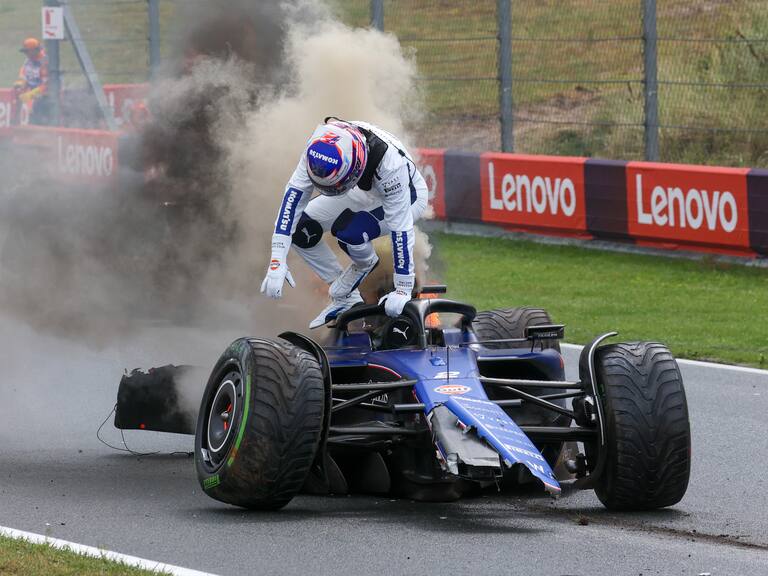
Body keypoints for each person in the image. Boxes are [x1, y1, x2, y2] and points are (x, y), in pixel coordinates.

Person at [261, 118, 429, 328]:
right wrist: (277, 258)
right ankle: (346, 298)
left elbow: (401, 229)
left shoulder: (391, 165)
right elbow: (292, 201)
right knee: (300, 229)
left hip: (407, 196)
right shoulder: (318, 148)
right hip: (359, 188)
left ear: (355, 167)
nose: (331, 192)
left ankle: (365, 263)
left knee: (350, 234)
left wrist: (403, 288)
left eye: (335, 187)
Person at [15, 38, 50, 125]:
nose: (25, 54)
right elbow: (23, 75)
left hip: (46, 97)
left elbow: (47, 86)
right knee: (17, 98)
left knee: (37, 104)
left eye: (27, 51)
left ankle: (36, 124)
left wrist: (30, 95)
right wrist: (19, 85)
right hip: (33, 93)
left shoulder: (45, 62)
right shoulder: (28, 60)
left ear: (34, 50)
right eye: (25, 51)